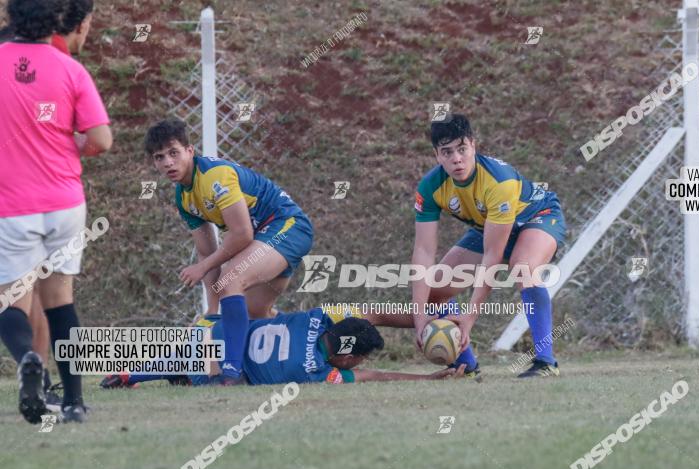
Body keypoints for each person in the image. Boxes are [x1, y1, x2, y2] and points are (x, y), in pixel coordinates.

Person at [0, 0, 112, 424]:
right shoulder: (70, 69)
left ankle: (30, 358)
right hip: (65, 203)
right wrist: (73, 145)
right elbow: (101, 138)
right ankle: (74, 402)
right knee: (61, 304)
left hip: (10, 205)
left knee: (10, 301)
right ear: (55, 22)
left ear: (11, 17)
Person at [144, 119, 314, 386]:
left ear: (190, 150)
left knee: (231, 278)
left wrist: (204, 269)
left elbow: (241, 234)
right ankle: (306, 352)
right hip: (264, 239)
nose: (167, 162)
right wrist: (212, 311)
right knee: (253, 313)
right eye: (159, 157)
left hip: (288, 227)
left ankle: (232, 373)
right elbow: (206, 252)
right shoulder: (183, 197)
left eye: (173, 152)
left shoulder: (214, 176)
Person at [411, 114, 567, 377]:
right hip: (489, 227)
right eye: (447, 152)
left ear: (473, 145)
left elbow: (492, 255)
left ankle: (545, 362)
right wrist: (419, 320)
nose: (457, 159)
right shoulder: (430, 187)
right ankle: (465, 365)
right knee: (435, 288)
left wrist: (469, 318)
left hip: (537, 217)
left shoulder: (499, 181)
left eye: (462, 149)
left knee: (523, 267)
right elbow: (423, 252)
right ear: (437, 155)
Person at [100, 308, 463, 388]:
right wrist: (425, 377)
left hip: (210, 325)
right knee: (227, 378)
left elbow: (374, 314)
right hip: (216, 369)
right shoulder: (316, 373)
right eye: (358, 359)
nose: (359, 364)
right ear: (349, 357)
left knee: (242, 322)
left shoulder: (319, 317)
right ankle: (156, 374)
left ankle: (132, 372)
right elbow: (375, 375)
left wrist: (426, 317)